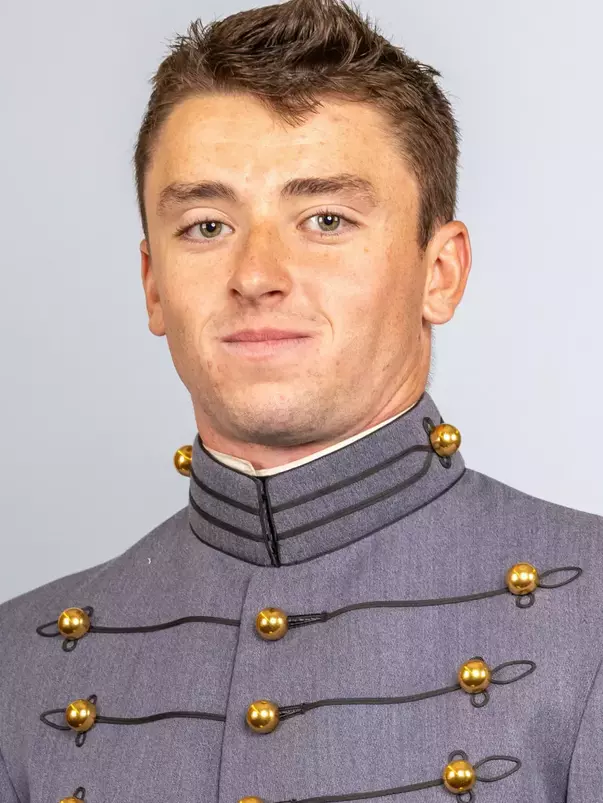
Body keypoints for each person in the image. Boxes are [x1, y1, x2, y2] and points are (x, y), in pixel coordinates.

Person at [1, 0, 601, 800]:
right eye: (207, 225)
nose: (256, 275)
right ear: (152, 285)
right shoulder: (20, 661)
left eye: (325, 218)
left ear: (440, 272)